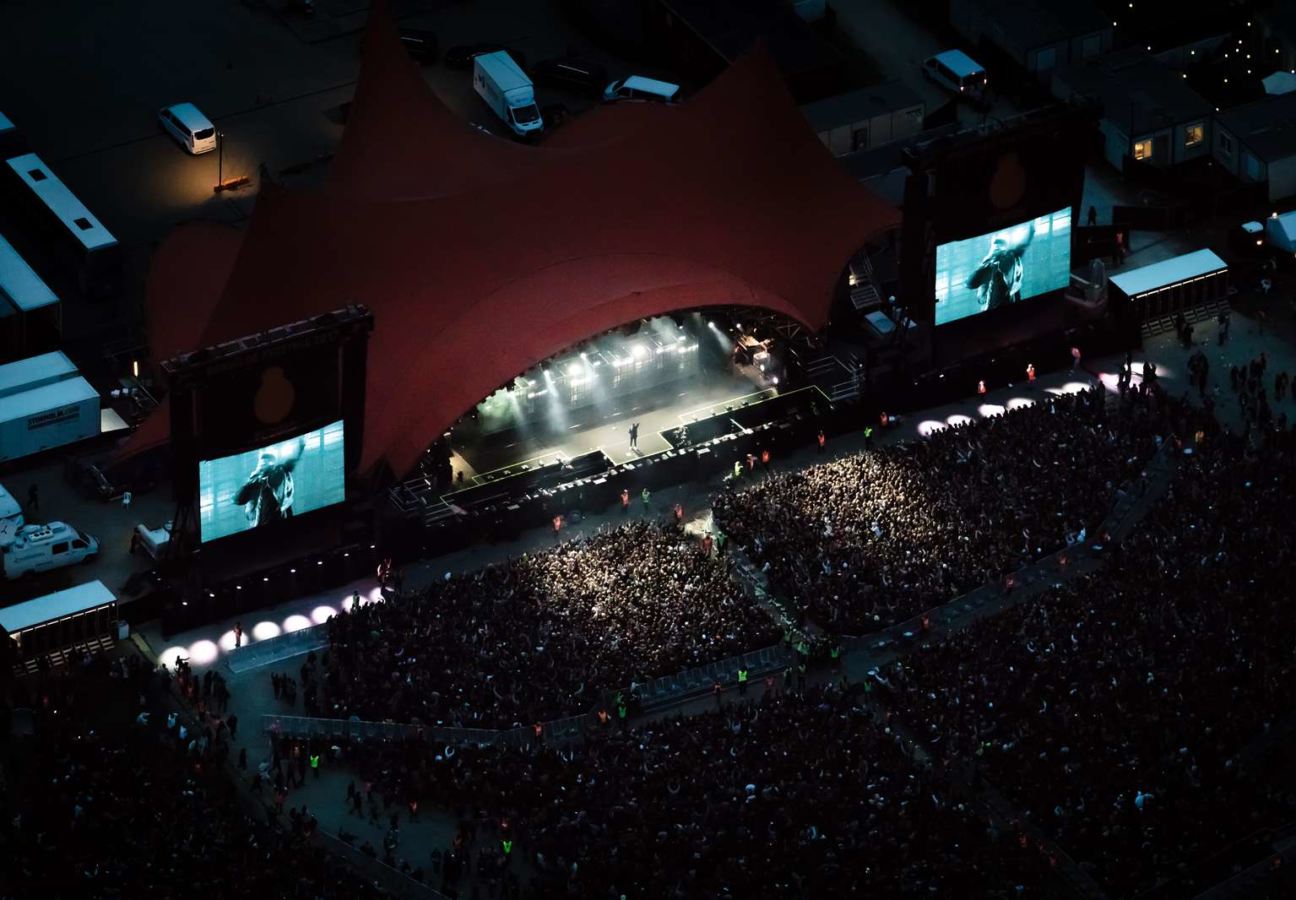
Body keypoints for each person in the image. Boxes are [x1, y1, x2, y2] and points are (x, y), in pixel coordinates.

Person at [233, 438, 305, 528]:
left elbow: (287, 466)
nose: (264, 466)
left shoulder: (275, 477)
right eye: (262, 464)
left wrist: (299, 450)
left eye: (267, 464)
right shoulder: (254, 484)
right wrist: (254, 480)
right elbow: (237, 500)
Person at [965, 222, 1034, 312]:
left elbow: (1022, 247)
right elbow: (970, 283)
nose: (998, 247)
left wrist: (1031, 230)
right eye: (996, 245)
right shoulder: (988, 265)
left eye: (1000, 244)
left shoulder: (1010, 259)